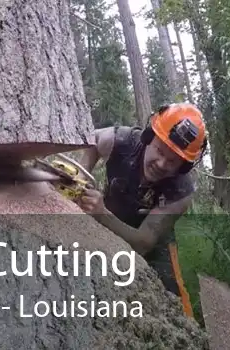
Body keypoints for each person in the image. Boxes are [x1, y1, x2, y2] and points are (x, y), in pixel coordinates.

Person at [75, 103, 208, 319]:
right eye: (159, 150)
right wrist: (81, 177)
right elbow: (93, 141)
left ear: (183, 167)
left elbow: (145, 242)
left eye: (173, 161)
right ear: (148, 137)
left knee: (174, 300)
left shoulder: (180, 192)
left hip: (152, 243)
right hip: (109, 218)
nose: (162, 164)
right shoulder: (122, 140)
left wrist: (101, 214)